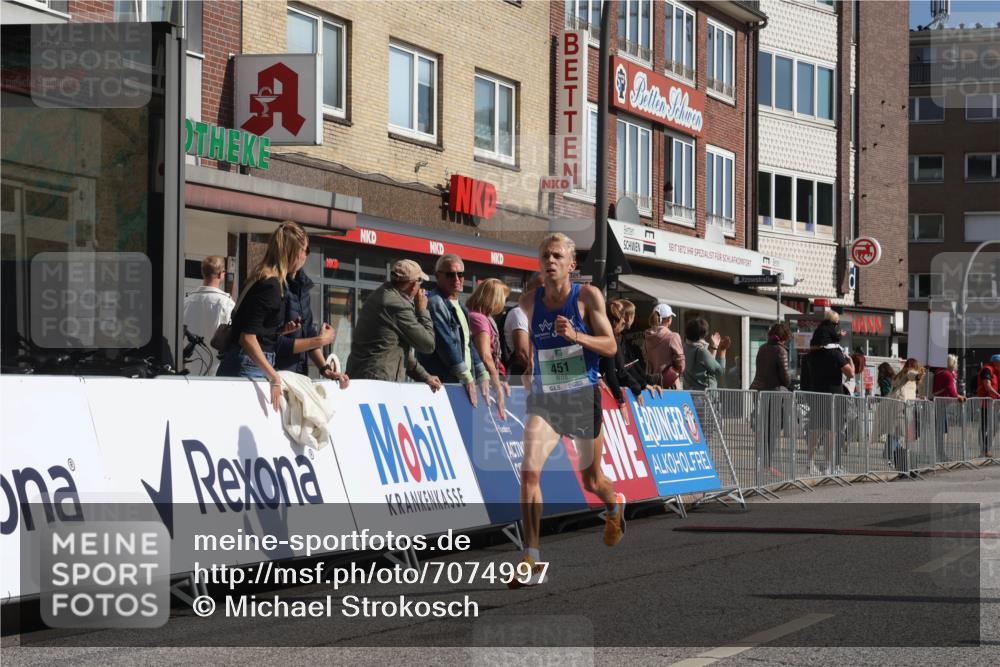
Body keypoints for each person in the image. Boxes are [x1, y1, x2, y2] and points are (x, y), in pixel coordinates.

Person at [510, 233, 623, 588]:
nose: (551, 260)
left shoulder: (587, 297)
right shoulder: (528, 302)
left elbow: (610, 345)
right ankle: (532, 557)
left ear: (572, 264)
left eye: (558, 255)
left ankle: (614, 504)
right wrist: (528, 369)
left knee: (592, 480)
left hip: (581, 396)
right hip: (546, 400)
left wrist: (577, 337)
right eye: (545, 255)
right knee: (528, 473)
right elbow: (527, 351)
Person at [217, 221, 309, 411]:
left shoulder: (261, 277)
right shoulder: (271, 285)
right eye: (304, 251)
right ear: (294, 252)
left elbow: (253, 328)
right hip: (249, 366)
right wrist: (274, 377)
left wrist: (280, 330)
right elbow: (247, 338)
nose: (305, 257)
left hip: (245, 362)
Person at [345, 259, 442, 392]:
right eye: (420, 283)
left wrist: (426, 377)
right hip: (378, 382)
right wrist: (422, 310)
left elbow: (399, 350)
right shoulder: (397, 305)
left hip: (366, 376)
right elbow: (428, 344)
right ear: (413, 285)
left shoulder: (383, 294)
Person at [417, 253, 491, 407]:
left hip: (460, 380)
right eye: (450, 274)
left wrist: (482, 373)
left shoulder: (461, 306)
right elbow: (445, 343)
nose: (457, 279)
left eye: (461, 274)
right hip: (443, 384)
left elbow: (468, 344)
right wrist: (468, 378)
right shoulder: (435, 302)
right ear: (438, 276)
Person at [274, 261, 349, 389]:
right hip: (279, 377)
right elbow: (274, 341)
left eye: (306, 250)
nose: (304, 255)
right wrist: (319, 340)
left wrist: (326, 370)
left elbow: (308, 333)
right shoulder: (276, 285)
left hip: (300, 376)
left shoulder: (303, 288)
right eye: (302, 249)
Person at [800, 334, 855, 476]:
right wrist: (849, 361)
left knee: (816, 431)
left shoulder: (808, 358)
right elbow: (851, 374)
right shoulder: (834, 355)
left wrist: (808, 398)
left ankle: (812, 463)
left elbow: (804, 381)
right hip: (831, 398)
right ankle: (827, 464)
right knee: (830, 431)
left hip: (815, 398)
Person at [603, 300, 661, 424]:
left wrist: (644, 383)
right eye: (622, 321)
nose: (625, 322)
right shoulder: (612, 340)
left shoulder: (618, 339)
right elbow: (616, 371)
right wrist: (622, 401)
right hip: (605, 393)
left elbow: (629, 366)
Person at [750, 322, 792, 477]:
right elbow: (785, 377)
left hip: (759, 391)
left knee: (763, 430)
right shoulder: (780, 351)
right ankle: (767, 465)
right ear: (784, 337)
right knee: (773, 430)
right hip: (774, 393)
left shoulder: (762, 348)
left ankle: (760, 462)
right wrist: (790, 383)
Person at [468, 278, 512, 419]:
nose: (504, 304)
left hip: (485, 382)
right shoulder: (479, 319)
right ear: (494, 299)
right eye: (503, 298)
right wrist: (498, 387)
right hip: (481, 384)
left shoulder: (483, 318)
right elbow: (486, 356)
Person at [183, 255, 234, 375]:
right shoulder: (226, 303)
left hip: (189, 368)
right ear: (221, 274)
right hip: (216, 369)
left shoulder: (186, 301)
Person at [502, 272, 543, 380]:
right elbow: (523, 354)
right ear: (529, 290)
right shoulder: (520, 312)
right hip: (522, 379)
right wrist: (544, 377)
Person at [643, 303, 685, 389]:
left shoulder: (647, 337)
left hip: (653, 383)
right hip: (670, 383)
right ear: (669, 319)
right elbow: (681, 364)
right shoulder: (672, 336)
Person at [682, 318, 729, 391]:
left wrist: (714, 347)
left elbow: (707, 366)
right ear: (704, 334)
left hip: (690, 394)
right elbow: (720, 371)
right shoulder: (701, 351)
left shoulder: (685, 347)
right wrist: (722, 350)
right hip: (705, 396)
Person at [975, 354, 1000, 458]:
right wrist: (999, 396)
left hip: (992, 404)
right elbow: (987, 386)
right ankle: (984, 450)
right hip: (985, 403)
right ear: (996, 362)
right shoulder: (987, 370)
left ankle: (986, 449)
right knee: (984, 427)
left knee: (994, 426)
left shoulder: (996, 371)